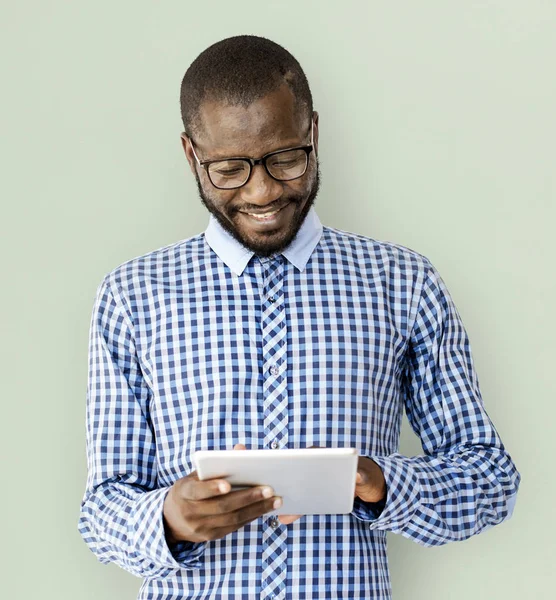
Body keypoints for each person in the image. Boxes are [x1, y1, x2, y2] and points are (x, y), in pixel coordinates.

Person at [78, 35, 521, 600]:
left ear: (313, 132)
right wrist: (168, 519)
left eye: (285, 158)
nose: (262, 191)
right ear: (192, 155)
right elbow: (101, 512)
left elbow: (488, 480)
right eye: (230, 169)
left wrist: (385, 484)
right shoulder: (132, 295)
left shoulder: (403, 283)